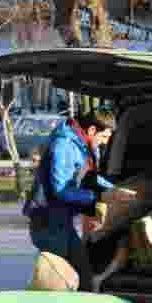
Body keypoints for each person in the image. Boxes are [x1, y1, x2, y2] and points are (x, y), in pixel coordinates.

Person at [24, 110, 124, 292]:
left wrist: (112, 189)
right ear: (92, 130)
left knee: (84, 277)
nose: (106, 142)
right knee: (55, 286)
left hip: (62, 223)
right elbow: (61, 190)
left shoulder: (80, 144)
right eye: (105, 136)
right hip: (48, 223)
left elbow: (88, 176)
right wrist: (97, 196)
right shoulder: (64, 145)